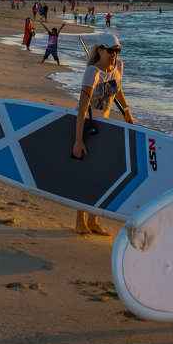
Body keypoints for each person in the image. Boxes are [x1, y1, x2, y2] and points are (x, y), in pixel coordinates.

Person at [71, 33, 133, 235]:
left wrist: (126, 111)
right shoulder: (92, 72)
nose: (114, 54)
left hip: (103, 125)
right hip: (86, 124)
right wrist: (78, 141)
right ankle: (80, 221)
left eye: (117, 50)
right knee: (85, 174)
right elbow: (81, 108)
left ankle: (93, 220)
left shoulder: (118, 66)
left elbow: (117, 88)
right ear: (100, 50)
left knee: (101, 174)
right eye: (110, 50)